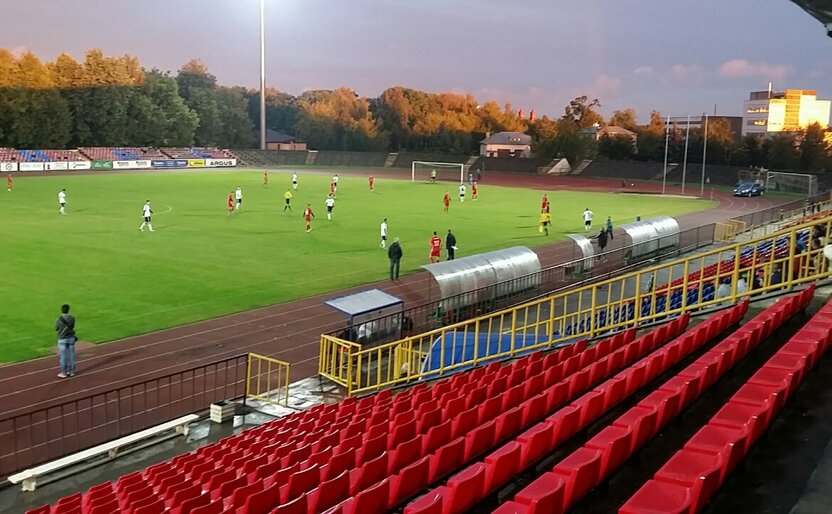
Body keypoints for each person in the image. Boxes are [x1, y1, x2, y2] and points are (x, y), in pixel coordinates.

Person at [55, 304, 76, 378]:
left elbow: (56, 328)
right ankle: (72, 371)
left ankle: (64, 372)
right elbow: (72, 326)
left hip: (62, 339)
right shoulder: (72, 318)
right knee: (72, 355)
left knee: (63, 357)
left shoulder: (58, 319)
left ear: (61, 310)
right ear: (68, 310)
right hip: (71, 338)